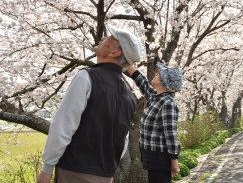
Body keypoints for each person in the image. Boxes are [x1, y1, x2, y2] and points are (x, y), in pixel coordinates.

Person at [37, 26, 145, 183]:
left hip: (74, 171)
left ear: (115, 52)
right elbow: (124, 140)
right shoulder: (129, 94)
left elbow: (64, 125)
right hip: (106, 175)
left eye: (109, 38)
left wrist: (47, 169)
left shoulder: (86, 77)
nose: (103, 38)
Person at [125, 62, 183, 183]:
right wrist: (127, 64)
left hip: (160, 159)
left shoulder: (168, 104)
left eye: (158, 75)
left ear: (165, 83)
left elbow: (171, 134)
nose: (155, 75)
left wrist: (174, 160)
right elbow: (142, 82)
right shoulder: (155, 97)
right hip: (150, 156)